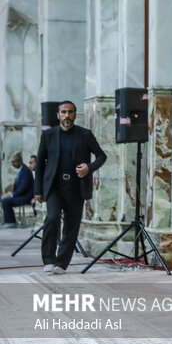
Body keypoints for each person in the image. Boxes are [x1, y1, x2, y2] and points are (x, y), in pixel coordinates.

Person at [34, 101, 107, 274]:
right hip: (54, 186)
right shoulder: (48, 135)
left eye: (70, 112)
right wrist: (38, 190)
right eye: (64, 112)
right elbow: (39, 164)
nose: (67, 115)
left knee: (71, 225)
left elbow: (102, 156)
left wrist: (89, 167)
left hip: (76, 186)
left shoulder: (85, 134)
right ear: (58, 115)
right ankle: (48, 260)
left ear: (75, 114)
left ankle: (61, 263)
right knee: (51, 219)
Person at [1, 153, 34, 228]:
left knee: (5, 201)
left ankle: (11, 222)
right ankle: (10, 221)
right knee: (5, 200)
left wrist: (12, 195)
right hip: (22, 196)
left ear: (20, 161)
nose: (13, 164)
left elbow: (23, 187)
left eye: (14, 162)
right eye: (12, 162)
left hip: (26, 197)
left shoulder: (25, 171)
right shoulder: (21, 170)